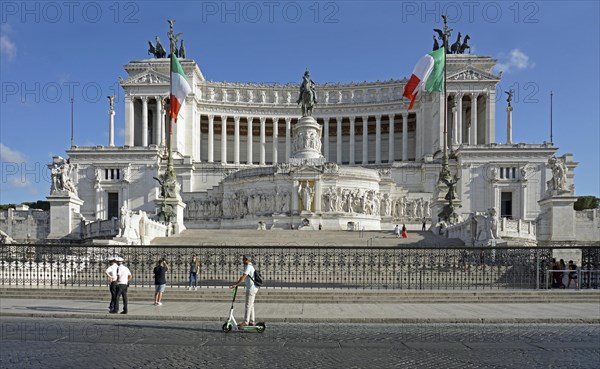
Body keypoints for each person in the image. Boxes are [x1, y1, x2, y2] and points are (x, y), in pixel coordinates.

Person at [230, 255, 258, 327]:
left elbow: (243, 277)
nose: (242, 261)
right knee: (251, 305)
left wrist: (236, 284)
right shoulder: (249, 266)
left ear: (247, 260)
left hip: (251, 289)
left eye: (243, 260)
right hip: (253, 288)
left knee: (248, 305)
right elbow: (243, 277)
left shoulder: (248, 267)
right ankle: (252, 321)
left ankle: (246, 322)